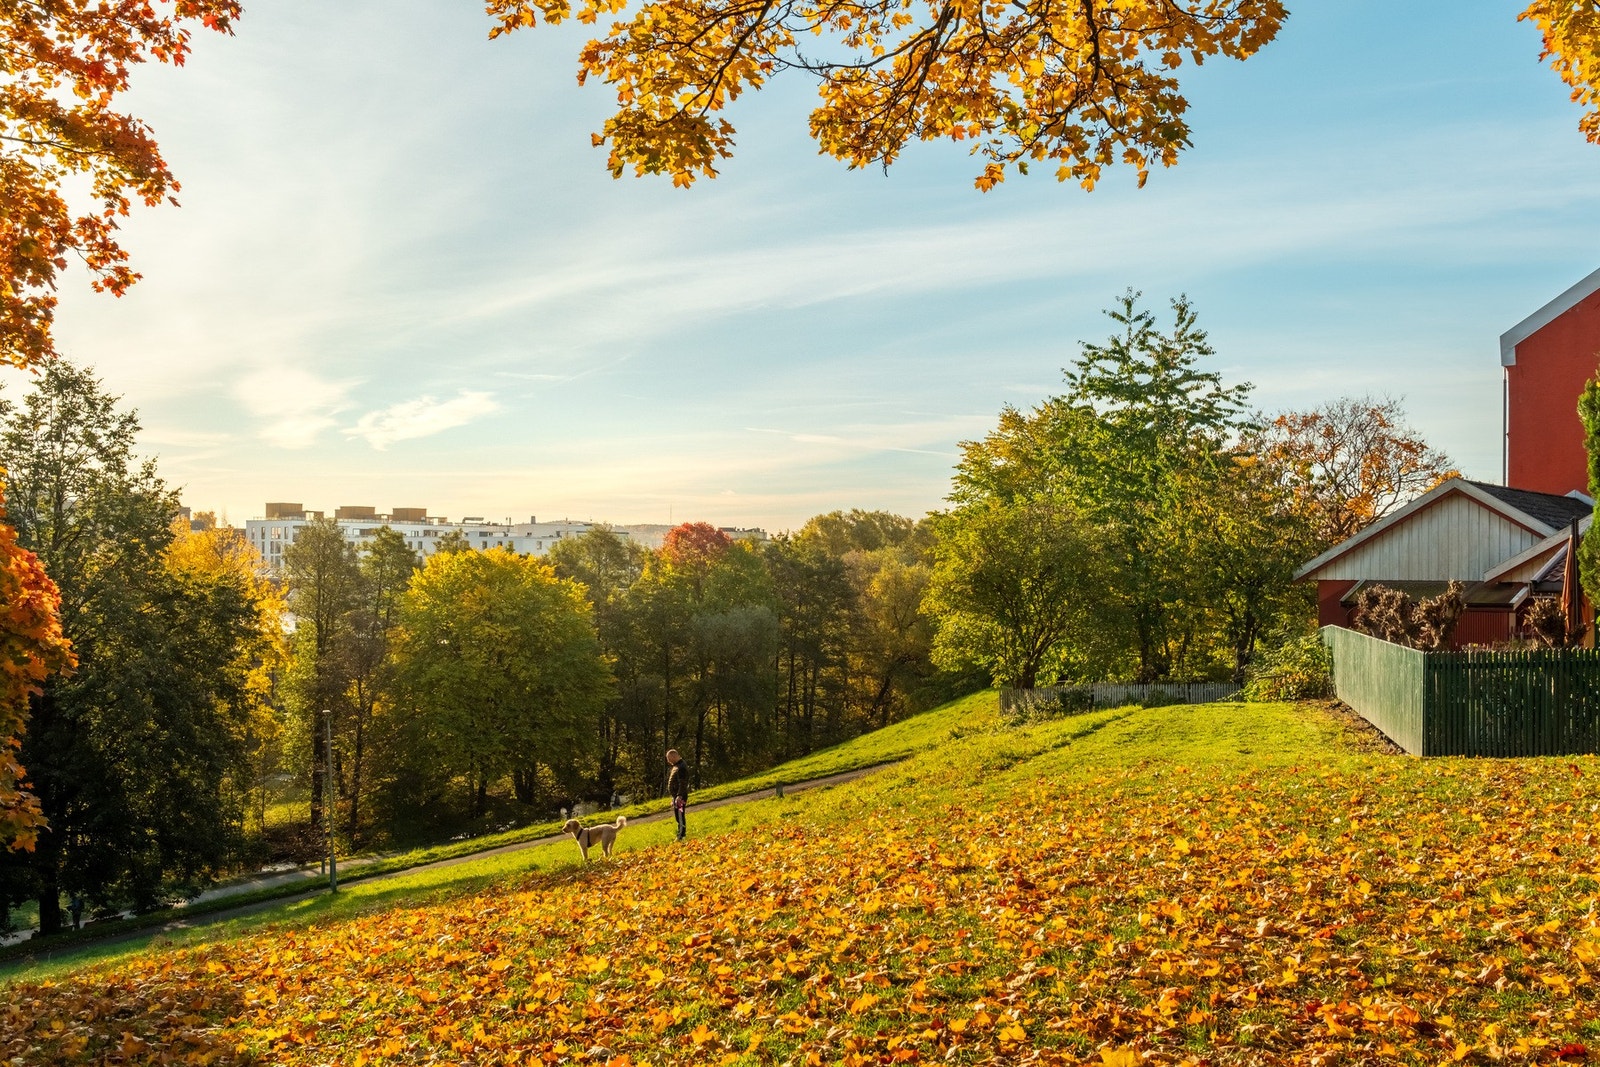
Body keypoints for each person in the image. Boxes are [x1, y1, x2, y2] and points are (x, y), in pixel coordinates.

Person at [666, 748, 688, 841]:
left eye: (669, 758)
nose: (668, 761)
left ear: (674, 756)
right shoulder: (676, 766)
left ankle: (681, 836)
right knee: (678, 816)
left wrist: (679, 796)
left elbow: (683, 783)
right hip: (676, 796)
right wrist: (673, 797)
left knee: (680, 816)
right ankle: (680, 834)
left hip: (680, 797)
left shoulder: (681, 767)